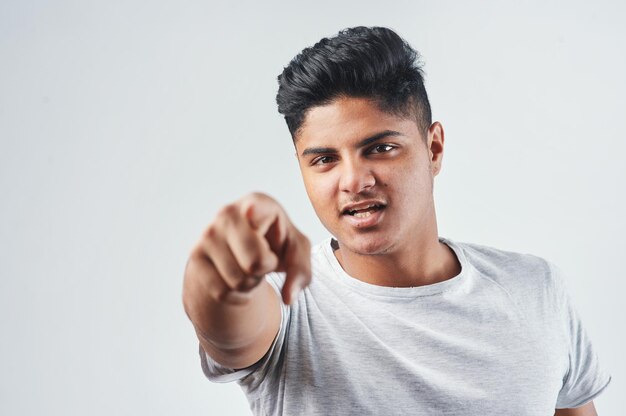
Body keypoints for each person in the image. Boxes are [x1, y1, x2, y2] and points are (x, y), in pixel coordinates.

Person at [182, 26, 611, 415]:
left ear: (434, 149)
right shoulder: (288, 302)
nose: (353, 180)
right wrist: (220, 275)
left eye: (380, 148)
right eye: (325, 160)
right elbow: (227, 328)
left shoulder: (535, 289)